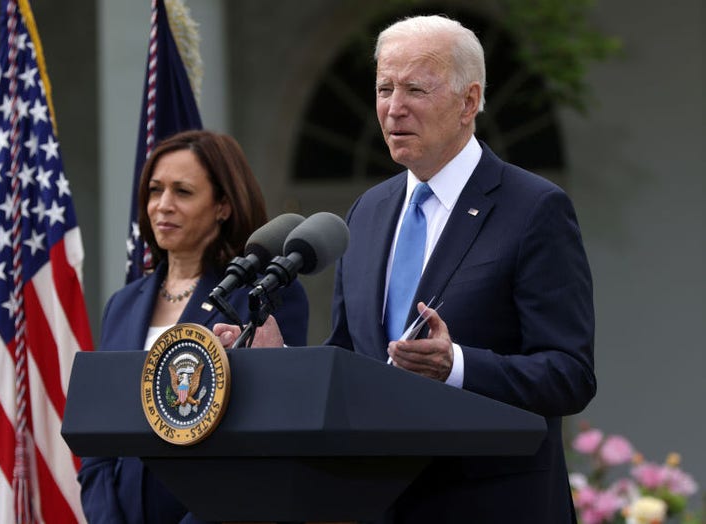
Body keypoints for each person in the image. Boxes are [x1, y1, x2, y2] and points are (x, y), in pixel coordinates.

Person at [215, 14, 595, 523]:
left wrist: (455, 365)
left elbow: (570, 374)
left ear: (468, 102)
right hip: (380, 502)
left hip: (492, 505)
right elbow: (352, 358)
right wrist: (281, 358)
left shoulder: (534, 208)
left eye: (415, 89)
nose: (394, 109)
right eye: (384, 88)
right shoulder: (366, 213)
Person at [77, 129, 309, 524]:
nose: (163, 206)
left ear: (223, 205)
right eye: (155, 191)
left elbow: (265, 438)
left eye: (182, 192)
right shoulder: (122, 304)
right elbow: (99, 440)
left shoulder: (261, 298)